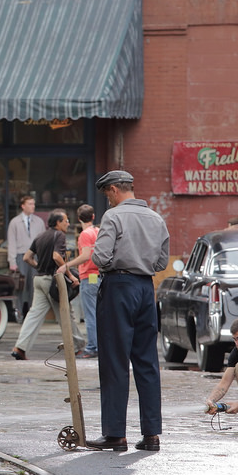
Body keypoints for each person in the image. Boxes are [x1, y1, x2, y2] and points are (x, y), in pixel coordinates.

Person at [86, 170, 169, 452]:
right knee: (147, 362)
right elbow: (161, 261)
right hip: (146, 289)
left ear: (113, 190)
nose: (107, 201)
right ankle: (151, 435)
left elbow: (100, 256)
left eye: (107, 195)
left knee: (114, 361)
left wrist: (113, 265)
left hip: (119, 287)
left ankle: (114, 434)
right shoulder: (156, 218)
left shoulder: (114, 216)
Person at [10, 209, 84, 360]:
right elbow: (57, 256)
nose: (68, 223)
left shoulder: (40, 235)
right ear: (57, 223)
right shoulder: (60, 235)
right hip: (53, 281)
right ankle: (77, 348)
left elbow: (26, 257)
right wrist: (70, 275)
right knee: (65, 313)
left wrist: (38, 267)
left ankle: (20, 348)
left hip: (38, 279)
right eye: (65, 221)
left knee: (34, 315)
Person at [57, 204, 99, 359]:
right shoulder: (99, 232)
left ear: (79, 219)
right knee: (99, 314)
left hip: (89, 276)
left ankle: (93, 346)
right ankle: (99, 344)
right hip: (99, 276)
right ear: (93, 217)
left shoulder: (85, 235)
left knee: (90, 315)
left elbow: (86, 255)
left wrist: (66, 265)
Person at [7, 195, 45, 318]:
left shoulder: (39, 222)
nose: (32, 206)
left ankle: (32, 313)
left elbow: (43, 241)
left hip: (35, 256)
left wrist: (43, 258)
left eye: (33, 204)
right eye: (29, 204)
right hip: (20, 255)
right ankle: (18, 312)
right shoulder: (14, 222)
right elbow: (11, 242)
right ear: (23, 206)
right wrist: (12, 261)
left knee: (34, 285)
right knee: (20, 286)